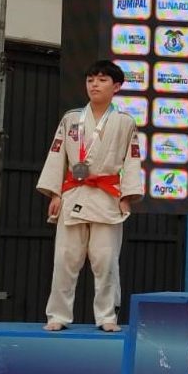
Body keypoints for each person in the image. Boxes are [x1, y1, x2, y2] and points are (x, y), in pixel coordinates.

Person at [37, 60, 143, 332]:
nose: (94, 84)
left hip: (107, 197)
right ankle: (58, 314)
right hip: (73, 193)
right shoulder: (71, 118)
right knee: (64, 259)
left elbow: (131, 161)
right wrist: (55, 192)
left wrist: (127, 195)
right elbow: (57, 155)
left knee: (105, 260)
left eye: (102, 80)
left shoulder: (125, 122)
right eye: (90, 80)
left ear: (116, 86)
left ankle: (107, 316)